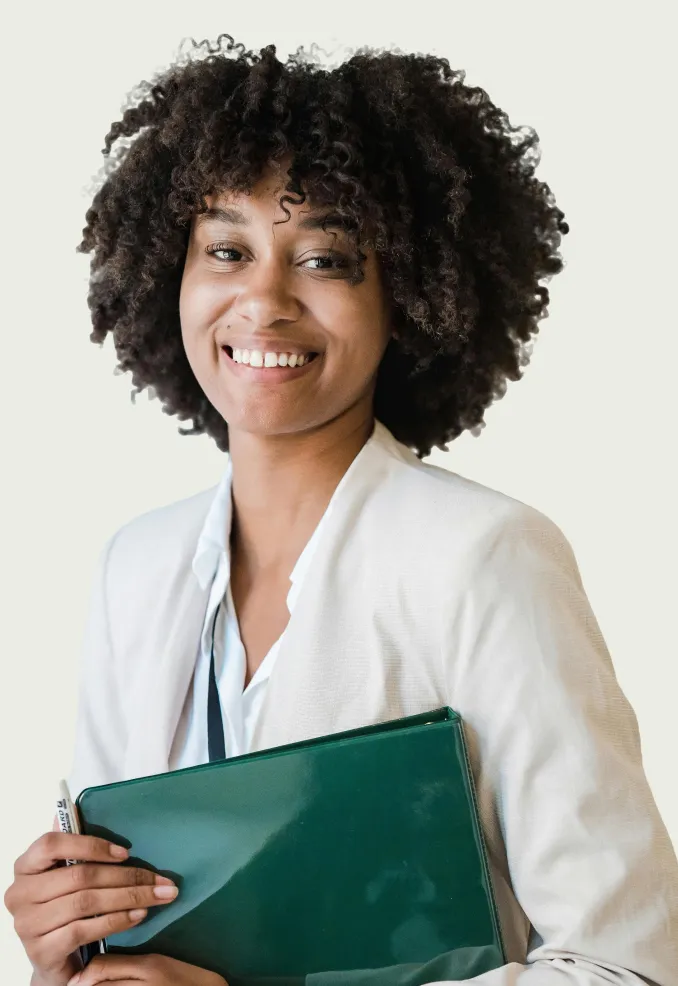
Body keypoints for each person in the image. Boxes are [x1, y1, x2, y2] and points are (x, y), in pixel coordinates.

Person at [4, 32, 678, 986]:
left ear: (407, 296)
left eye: (325, 259)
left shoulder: (484, 558)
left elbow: (627, 966)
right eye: (227, 249)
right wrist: (70, 942)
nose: (263, 299)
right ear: (171, 278)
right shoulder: (138, 567)